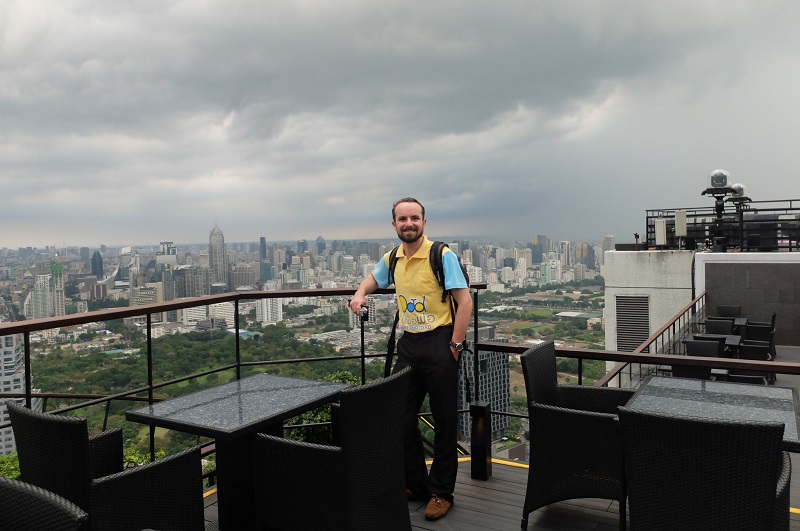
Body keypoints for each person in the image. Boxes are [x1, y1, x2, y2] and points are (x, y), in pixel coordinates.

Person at [349, 197, 472, 521]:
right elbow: (374, 278)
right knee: (399, 416)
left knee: (445, 420)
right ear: (394, 225)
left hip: (439, 342)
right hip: (409, 344)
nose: (409, 223)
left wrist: (455, 346)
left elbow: (465, 302)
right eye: (402, 219)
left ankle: (441, 492)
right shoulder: (393, 258)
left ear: (424, 222)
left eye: (414, 218)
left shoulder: (440, 255)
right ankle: (417, 484)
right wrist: (360, 294)